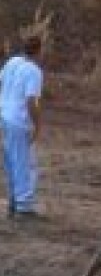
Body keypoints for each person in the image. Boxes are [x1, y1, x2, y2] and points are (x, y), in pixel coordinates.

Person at [1, 34, 44, 218]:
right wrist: (37, 124)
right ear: (38, 51)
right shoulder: (33, 70)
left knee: (10, 160)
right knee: (24, 162)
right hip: (18, 120)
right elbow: (30, 101)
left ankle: (14, 199)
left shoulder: (12, 62)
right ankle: (24, 205)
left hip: (4, 115)